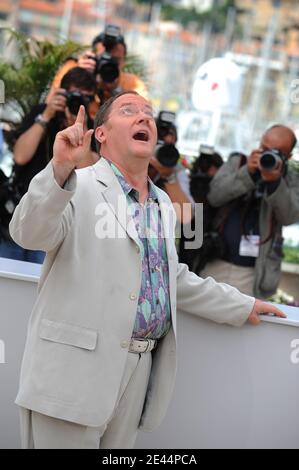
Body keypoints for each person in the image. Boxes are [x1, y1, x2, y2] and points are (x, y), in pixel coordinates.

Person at [9, 91, 285, 449]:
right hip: (71, 378)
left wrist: (242, 305)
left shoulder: (162, 201)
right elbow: (28, 233)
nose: (145, 118)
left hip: (136, 378)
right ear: (101, 134)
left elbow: (171, 276)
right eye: (129, 111)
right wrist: (60, 168)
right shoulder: (77, 185)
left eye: (148, 113)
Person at [0, 67, 97, 263]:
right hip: (19, 213)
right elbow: (20, 156)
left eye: (85, 99)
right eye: (74, 96)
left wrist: (81, 129)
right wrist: (46, 114)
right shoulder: (42, 113)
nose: (78, 103)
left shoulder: (91, 128)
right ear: (62, 94)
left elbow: (90, 174)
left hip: (58, 223)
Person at [202, 125, 299, 298]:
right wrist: (247, 174)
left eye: (277, 152)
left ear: (288, 156)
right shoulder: (238, 163)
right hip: (215, 262)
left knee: (243, 324)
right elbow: (214, 196)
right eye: (265, 149)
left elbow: (289, 216)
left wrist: (275, 183)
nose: (268, 155)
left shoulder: (290, 179)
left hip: (253, 272)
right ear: (260, 143)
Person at [49, 24, 147, 118]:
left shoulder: (133, 83)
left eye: (115, 60)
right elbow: (49, 104)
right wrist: (78, 75)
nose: (108, 65)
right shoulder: (73, 67)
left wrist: (115, 92)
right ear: (92, 56)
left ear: (124, 61)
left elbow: (142, 116)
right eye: (102, 59)